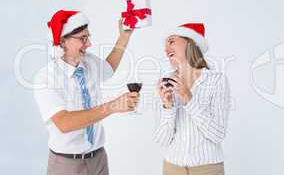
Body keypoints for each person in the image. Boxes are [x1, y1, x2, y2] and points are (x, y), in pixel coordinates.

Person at [34, 10, 139, 175]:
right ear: (62, 42)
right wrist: (113, 106)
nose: (89, 43)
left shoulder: (88, 62)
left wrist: (124, 37)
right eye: (83, 38)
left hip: (98, 159)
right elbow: (64, 123)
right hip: (66, 165)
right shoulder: (46, 78)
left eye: (88, 37)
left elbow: (109, 68)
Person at [154, 23, 231, 175]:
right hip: (172, 168)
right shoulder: (166, 82)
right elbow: (161, 140)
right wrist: (168, 106)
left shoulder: (216, 81)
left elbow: (218, 134)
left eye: (171, 41)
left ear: (190, 42)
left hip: (208, 169)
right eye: (165, 45)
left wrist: (187, 98)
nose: (166, 49)